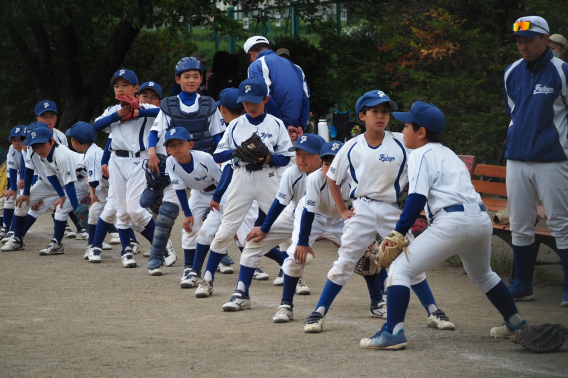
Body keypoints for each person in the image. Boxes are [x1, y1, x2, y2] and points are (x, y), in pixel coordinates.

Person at [359, 101, 528, 350]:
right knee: (483, 275)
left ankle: (393, 332)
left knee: (400, 270)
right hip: (480, 221)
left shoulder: (419, 154)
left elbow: (417, 197)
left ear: (421, 132)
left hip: (453, 223)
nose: (403, 130)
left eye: (407, 125)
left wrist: (399, 231)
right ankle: (516, 323)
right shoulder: (450, 154)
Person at [303, 91, 454, 333]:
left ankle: (434, 310)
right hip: (361, 209)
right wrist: (342, 210)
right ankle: (319, 312)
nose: (381, 116)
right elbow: (332, 177)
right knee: (344, 262)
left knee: (409, 259)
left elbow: (426, 161)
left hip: (392, 209)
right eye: (374, 111)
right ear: (362, 115)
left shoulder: (400, 142)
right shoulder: (351, 146)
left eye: (385, 111)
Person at [193, 77, 294, 300]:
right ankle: (207, 280)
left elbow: (287, 158)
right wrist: (238, 151)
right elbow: (218, 154)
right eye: (246, 102)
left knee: (285, 224)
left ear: (266, 99)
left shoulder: (276, 124)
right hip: (242, 178)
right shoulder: (236, 125)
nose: (250, 106)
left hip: (268, 177)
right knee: (225, 231)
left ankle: (292, 274)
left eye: (254, 102)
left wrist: (268, 157)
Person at [220, 134, 325, 311]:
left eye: (308, 154)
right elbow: (280, 202)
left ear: (321, 156)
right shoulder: (293, 173)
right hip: (295, 216)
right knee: (253, 242)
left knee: (363, 252)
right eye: (298, 154)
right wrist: (264, 228)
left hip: (329, 218)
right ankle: (242, 294)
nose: (302, 159)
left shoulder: (330, 174)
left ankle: (379, 297)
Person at [504, 16, 568, 307]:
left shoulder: (562, 71)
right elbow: (514, 114)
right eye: (519, 40)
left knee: (560, 223)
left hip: (552, 159)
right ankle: (522, 284)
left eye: (529, 39)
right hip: (517, 158)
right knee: (519, 223)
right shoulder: (511, 72)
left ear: (545, 39)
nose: (523, 45)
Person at [144, 57, 225, 275]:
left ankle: (220, 253)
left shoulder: (209, 104)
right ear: (178, 79)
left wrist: (224, 159)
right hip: (176, 163)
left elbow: (219, 136)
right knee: (167, 213)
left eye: (196, 76)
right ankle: (156, 255)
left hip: (206, 165)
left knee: (217, 211)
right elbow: (155, 132)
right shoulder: (169, 104)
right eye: (186, 76)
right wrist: (152, 151)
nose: (191, 80)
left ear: (202, 79)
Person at [272, 140, 353, 321]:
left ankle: (378, 300)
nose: (331, 168)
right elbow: (309, 212)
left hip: (341, 219)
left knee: (366, 256)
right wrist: (302, 242)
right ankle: (286, 305)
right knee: (294, 255)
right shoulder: (314, 178)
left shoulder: (354, 178)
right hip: (314, 216)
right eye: (326, 163)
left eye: (336, 163)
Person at [91, 68, 158, 268]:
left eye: (125, 85)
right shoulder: (112, 110)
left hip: (139, 161)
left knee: (133, 208)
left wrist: (139, 112)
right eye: (117, 85)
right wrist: (119, 114)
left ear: (136, 88)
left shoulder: (145, 107)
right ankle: (126, 250)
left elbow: (166, 112)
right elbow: (95, 126)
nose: (120, 89)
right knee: (120, 207)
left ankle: (161, 245)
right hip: (116, 161)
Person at [25, 124, 90, 255]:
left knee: (108, 208)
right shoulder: (44, 156)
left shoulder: (61, 156)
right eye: (35, 146)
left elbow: (69, 184)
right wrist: (61, 195)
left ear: (52, 141)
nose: (39, 149)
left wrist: (76, 208)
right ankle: (57, 244)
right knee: (60, 208)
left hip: (94, 178)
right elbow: (51, 176)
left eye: (42, 144)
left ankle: (123, 239)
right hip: (79, 182)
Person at [244, 36, 309, 141]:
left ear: (251, 55)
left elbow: (265, 98)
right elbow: (305, 100)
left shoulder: (257, 64)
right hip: (295, 132)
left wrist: (283, 126)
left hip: (271, 131)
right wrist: (300, 127)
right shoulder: (296, 67)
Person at [1, 126, 26, 239]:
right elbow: (12, 169)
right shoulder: (12, 149)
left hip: (34, 178)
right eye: (14, 140)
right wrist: (11, 187)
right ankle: (7, 228)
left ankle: (14, 229)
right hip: (19, 178)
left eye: (21, 139)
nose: (17, 142)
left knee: (55, 206)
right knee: (9, 198)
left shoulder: (30, 148)